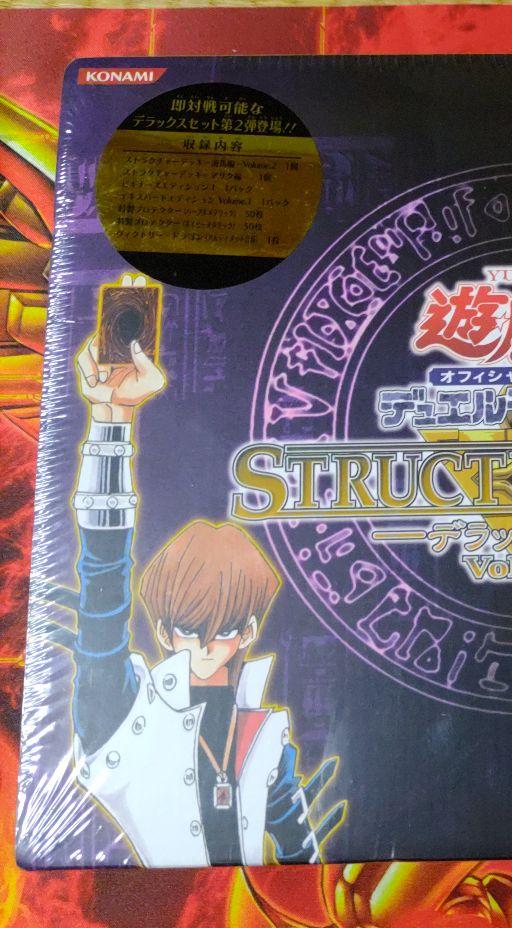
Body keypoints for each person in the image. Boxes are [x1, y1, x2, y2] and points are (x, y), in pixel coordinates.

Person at [67, 274, 345, 867]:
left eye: (224, 629)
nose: (204, 645)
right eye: (188, 629)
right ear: (165, 631)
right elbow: (102, 583)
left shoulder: (266, 739)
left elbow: (302, 858)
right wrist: (113, 421)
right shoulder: (125, 712)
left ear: (248, 631)